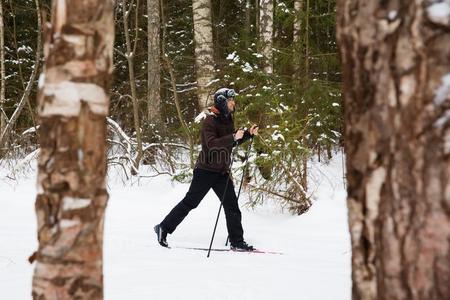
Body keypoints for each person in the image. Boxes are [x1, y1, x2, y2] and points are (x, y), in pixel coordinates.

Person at [154, 88, 259, 251]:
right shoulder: (210, 121)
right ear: (222, 102)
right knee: (191, 202)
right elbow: (211, 144)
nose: (233, 103)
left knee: (231, 206)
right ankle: (163, 227)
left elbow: (230, 142)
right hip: (206, 170)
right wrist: (233, 137)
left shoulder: (227, 118)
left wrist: (247, 134)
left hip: (222, 172)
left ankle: (237, 242)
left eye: (233, 100)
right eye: (231, 100)